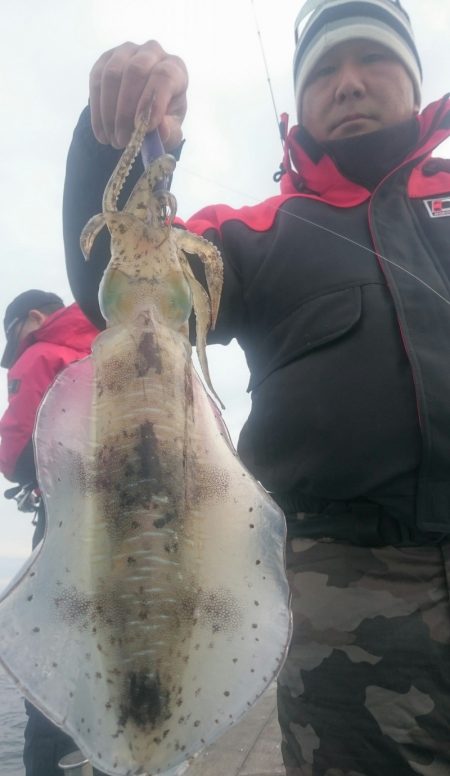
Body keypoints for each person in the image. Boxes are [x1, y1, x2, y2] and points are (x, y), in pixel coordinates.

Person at [62, 1, 450, 773]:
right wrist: (123, 141)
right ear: (296, 102)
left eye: (373, 59)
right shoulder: (251, 232)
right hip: (348, 612)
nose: (349, 84)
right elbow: (125, 280)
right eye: (326, 70)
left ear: (415, 81)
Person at [0, 289, 99, 776]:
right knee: (114, 674)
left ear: (35, 319)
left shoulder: (41, 353)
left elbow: (17, 458)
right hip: (135, 537)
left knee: (52, 674)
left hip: (69, 534)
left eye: (14, 340)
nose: (15, 355)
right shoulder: (112, 347)